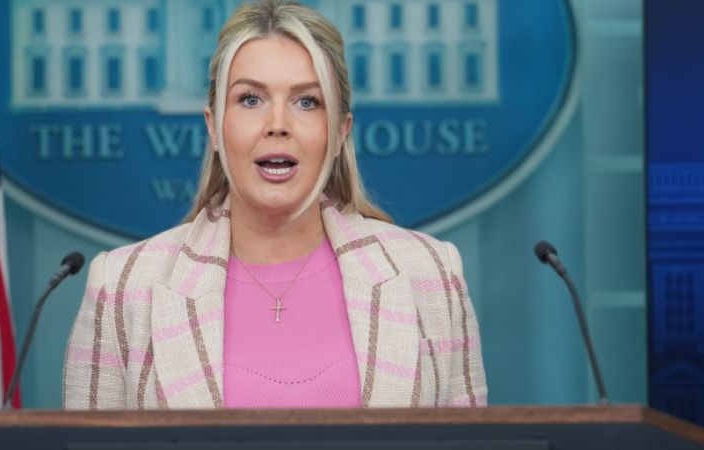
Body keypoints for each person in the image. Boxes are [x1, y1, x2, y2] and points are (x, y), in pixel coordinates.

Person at [64, 0, 487, 410]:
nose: (278, 125)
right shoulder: (122, 288)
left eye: (307, 101)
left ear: (340, 132)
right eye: (251, 99)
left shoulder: (431, 274)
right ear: (214, 127)